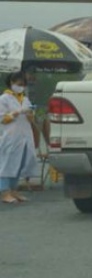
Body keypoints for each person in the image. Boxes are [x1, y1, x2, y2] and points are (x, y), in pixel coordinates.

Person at [0, 71, 40, 203]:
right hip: (11, 136)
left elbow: (31, 119)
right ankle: (4, 192)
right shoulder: (4, 99)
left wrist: (30, 115)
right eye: (19, 84)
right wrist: (16, 113)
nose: (21, 87)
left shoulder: (25, 99)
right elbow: (2, 119)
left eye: (23, 85)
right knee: (7, 164)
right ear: (11, 83)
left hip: (24, 136)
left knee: (19, 163)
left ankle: (14, 190)